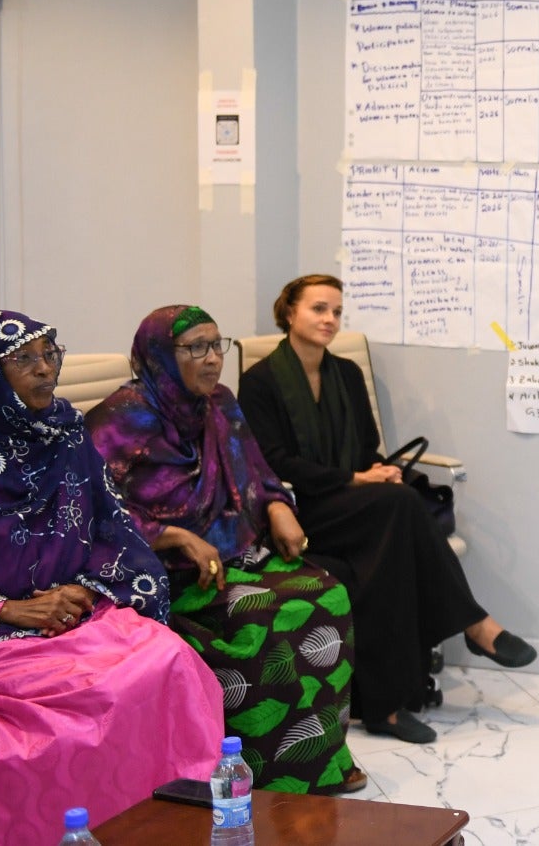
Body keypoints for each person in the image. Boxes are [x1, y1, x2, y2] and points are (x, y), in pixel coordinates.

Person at [0, 311, 223, 846]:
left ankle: (161, 829)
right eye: (23, 359)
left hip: (73, 611)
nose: (45, 370)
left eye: (50, 354)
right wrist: (4, 609)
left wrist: (87, 590)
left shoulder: (65, 431)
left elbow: (110, 525)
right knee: (77, 706)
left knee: (167, 660)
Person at [238, 275, 536, 746]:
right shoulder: (259, 383)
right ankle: (474, 624)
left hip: (354, 505)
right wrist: (359, 480)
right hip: (298, 509)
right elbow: (273, 462)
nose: (330, 320)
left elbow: (366, 450)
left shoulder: (348, 375)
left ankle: (386, 707)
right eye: (318, 309)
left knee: (390, 537)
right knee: (398, 508)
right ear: (289, 313)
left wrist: (378, 470)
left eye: (336, 311)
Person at [86, 305, 365, 795]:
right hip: (161, 573)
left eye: (218, 345)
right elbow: (88, 511)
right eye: (195, 347)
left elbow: (257, 471)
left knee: (330, 595)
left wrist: (279, 506)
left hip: (233, 554)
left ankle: (321, 757)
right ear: (158, 357)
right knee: (262, 617)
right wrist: (170, 535)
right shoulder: (118, 420)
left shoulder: (220, 404)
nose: (213, 358)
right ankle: (259, 770)